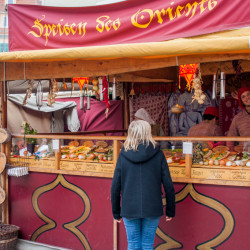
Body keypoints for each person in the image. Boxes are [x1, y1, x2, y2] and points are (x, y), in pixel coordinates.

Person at [111, 120, 175, 250]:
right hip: (152, 206)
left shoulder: (123, 155)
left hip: (129, 207)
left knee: (133, 244)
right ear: (148, 133)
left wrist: (116, 212)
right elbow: (168, 185)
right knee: (147, 244)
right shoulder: (158, 154)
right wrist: (170, 210)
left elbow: (115, 186)